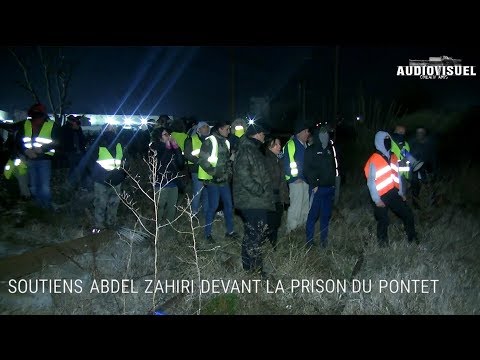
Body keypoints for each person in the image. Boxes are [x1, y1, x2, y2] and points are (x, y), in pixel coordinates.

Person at [233, 122, 274, 274]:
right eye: (263, 134)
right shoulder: (246, 149)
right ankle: (255, 269)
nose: (264, 138)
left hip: (255, 200)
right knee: (255, 235)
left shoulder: (252, 148)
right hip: (251, 200)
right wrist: (259, 190)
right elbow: (244, 175)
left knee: (253, 234)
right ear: (257, 134)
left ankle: (249, 266)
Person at [364, 131, 417, 246]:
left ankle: (412, 240)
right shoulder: (374, 159)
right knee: (383, 221)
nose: (388, 142)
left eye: (389, 140)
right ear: (379, 142)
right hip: (379, 195)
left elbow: (398, 175)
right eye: (385, 140)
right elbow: (371, 182)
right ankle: (383, 246)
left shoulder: (393, 156)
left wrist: (402, 192)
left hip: (393, 193)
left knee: (408, 214)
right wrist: (377, 200)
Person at [198, 120, 237, 243]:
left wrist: (229, 173)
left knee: (229, 206)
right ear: (220, 129)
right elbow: (202, 160)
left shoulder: (226, 142)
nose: (229, 131)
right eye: (227, 129)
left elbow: (227, 161)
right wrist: (214, 173)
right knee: (213, 207)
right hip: (214, 182)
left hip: (225, 181)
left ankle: (230, 232)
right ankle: (207, 234)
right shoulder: (210, 141)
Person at [15, 103, 60, 209]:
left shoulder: (51, 124)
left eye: (38, 115)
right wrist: (26, 151)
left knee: (45, 187)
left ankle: (46, 208)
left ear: (43, 115)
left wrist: (42, 149)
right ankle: (40, 207)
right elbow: (19, 141)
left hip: (44, 160)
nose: (36, 118)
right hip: (30, 159)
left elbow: (57, 142)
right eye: (34, 115)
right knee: (34, 188)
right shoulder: (25, 124)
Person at [304, 127, 339, 248]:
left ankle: (324, 241)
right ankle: (309, 241)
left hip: (329, 189)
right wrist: (314, 185)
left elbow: (335, 169)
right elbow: (307, 169)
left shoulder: (330, 150)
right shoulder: (311, 150)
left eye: (326, 134)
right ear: (318, 135)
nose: (325, 137)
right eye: (322, 134)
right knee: (312, 216)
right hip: (317, 189)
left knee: (325, 216)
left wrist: (335, 185)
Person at [88, 124, 127, 233]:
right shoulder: (98, 143)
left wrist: (122, 175)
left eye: (113, 127)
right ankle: (100, 226)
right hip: (103, 181)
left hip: (114, 180)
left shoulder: (119, 143)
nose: (112, 129)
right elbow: (91, 161)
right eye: (110, 127)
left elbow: (124, 160)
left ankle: (109, 224)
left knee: (111, 204)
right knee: (102, 204)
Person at [149, 126, 184, 225]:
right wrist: (168, 148)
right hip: (160, 182)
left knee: (172, 208)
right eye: (165, 134)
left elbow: (181, 164)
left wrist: (176, 148)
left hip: (173, 181)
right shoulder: (154, 148)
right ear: (159, 137)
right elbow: (161, 164)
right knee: (159, 207)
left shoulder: (172, 146)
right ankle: (157, 228)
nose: (168, 136)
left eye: (168, 134)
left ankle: (169, 228)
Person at [282, 122, 311, 234]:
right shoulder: (291, 144)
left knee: (305, 206)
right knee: (296, 206)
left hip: (306, 180)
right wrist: (294, 178)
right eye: (306, 131)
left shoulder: (306, 145)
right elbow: (287, 163)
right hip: (296, 181)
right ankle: (291, 229)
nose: (308, 133)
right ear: (300, 132)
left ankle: (302, 226)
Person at [263, 136, 289, 250]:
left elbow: (282, 179)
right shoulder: (267, 159)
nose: (280, 147)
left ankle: (273, 244)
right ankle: (269, 244)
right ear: (270, 146)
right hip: (270, 197)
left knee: (276, 222)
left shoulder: (278, 159)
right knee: (270, 222)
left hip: (278, 196)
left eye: (280, 144)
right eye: (276, 144)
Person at [184, 121, 210, 217]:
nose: (206, 128)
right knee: (198, 192)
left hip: (208, 170)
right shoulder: (191, 139)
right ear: (198, 129)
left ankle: (206, 212)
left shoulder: (210, 140)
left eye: (207, 126)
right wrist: (200, 161)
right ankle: (194, 213)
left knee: (207, 192)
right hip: (196, 169)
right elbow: (187, 154)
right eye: (204, 127)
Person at [409, 126, 438, 208]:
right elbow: (407, 156)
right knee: (415, 184)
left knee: (430, 185)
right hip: (415, 168)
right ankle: (415, 203)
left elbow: (433, 159)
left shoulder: (429, 144)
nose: (419, 134)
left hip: (426, 168)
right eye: (418, 132)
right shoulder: (412, 143)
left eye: (421, 132)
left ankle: (433, 202)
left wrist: (434, 171)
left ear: (425, 134)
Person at [61, 115, 89, 190]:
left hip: (80, 152)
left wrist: (77, 129)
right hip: (71, 152)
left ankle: (84, 186)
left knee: (83, 169)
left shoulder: (78, 128)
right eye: (73, 120)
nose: (75, 122)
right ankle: (71, 185)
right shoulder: (65, 128)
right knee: (73, 169)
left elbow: (82, 139)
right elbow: (64, 140)